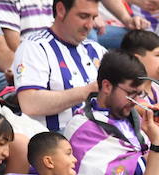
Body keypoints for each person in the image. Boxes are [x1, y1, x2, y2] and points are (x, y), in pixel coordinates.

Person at [12, 0, 105, 135]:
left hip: (100, 135)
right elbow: (29, 103)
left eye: (94, 18)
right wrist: (87, 91)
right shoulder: (35, 46)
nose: (89, 25)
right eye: (83, 16)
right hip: (56, 140)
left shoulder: (96, 49)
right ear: (61, 10)